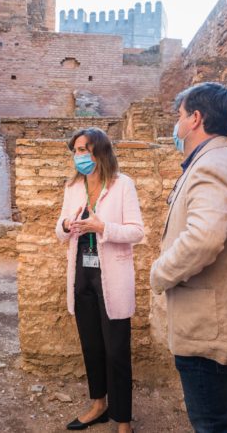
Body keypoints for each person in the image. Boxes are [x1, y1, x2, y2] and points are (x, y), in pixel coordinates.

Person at [149, 82, 227, 433]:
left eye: (180, 116)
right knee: (216, 420)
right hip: (214, 319)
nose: (177, 124)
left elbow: (203, 240)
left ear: (196, 119)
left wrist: (160, 272)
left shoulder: (211, 167)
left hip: (207, 324)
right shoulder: (224, 160)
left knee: (212, 425)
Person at [55, 127, 144, 433]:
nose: (79, 156)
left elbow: (137, 231)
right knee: (91, 344)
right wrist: (67, 224)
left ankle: (123, 420)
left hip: (112, 274)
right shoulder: (73, 186)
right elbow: (59, 230)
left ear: (100, 151)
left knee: (116, 349)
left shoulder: (122, 185)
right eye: (76, 150)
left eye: (84, 149)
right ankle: (98, 404)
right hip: (82, 270)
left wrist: (102, 226)